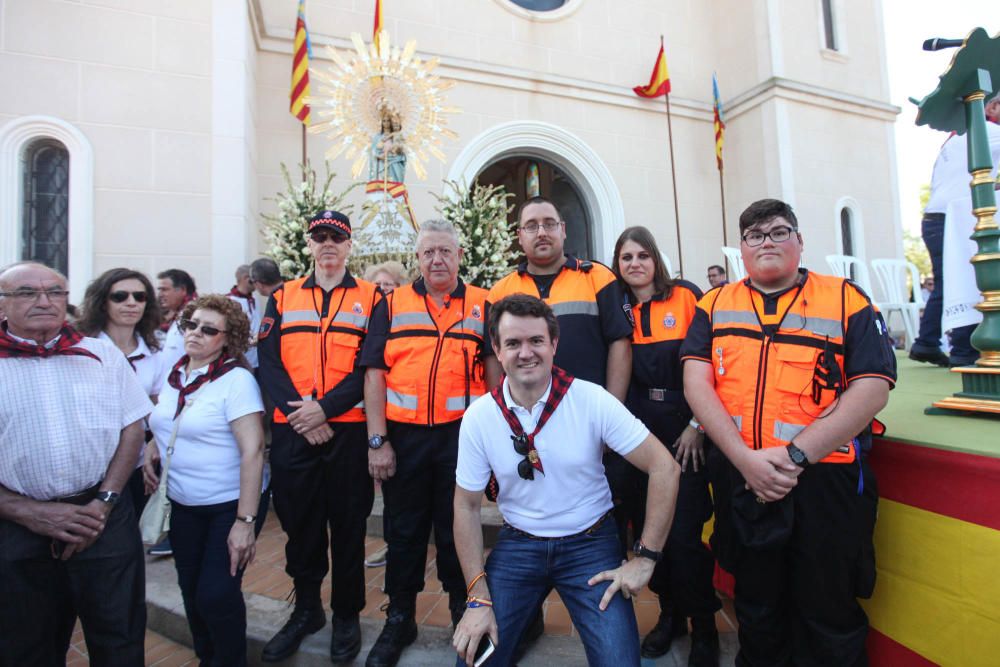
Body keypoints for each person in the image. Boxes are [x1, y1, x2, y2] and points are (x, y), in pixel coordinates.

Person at [681, 199, 897, 666]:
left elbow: (873, 387)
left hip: (824, 483)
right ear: (742, 249)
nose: (767, 243)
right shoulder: (713, 305)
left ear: (800, 241)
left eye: (779, 232)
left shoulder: (846, 299)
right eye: (755, 235)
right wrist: (745, 461)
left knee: (829, 611)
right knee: (758, 610)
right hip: (745, 480)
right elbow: (697, 384)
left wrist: (796, 457)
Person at [452, 294, 680, 667]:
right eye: (512, 343)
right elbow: (465, 504)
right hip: (519, 545)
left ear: (554, 344)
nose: (526, 353)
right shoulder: (479, 417)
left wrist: (645, 558)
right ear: (496, 348)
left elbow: (665, 468)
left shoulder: (591, 400)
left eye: (536, 341)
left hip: (590, 544)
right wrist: (477, 597)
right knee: (475, 661)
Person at [485, 196, 633, 653]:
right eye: (532, 225)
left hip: (588, 431)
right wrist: (500, 418)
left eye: (550, 223)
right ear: (520, 235)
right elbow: (494, 357)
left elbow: (620, 344)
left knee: (604, 512)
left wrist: (611, 417)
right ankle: (521, 618)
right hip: (524, 431)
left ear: (564, 230)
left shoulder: (598, 278)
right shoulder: (502, 286)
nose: (541, 231)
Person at [0, 261, 152, 665]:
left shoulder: (100, 354)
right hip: (16, 523)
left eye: (54, 292)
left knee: (119, 639)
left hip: (103, 516)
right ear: (3, 305)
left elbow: (131, 428)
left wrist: (103, 502)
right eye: (27, 293)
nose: (44, 301)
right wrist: (27, 511)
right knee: (25, 645)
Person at [360, 219, 490, 667]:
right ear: (417, 259)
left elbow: (495, 375)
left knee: (458, 529)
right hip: (406, 438)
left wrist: (492, 440)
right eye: (428, 252)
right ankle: (400, 615)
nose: (437, 259)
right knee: (404, 529)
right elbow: (373, 373)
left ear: (458, 256)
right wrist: (378, 440)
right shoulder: (392, 304)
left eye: (445, 252)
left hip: (462, 437)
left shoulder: (481, 304)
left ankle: (462, 606)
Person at [256, 210, 380, 664]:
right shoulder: (284, 296)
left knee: (348, 527)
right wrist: (302, 416)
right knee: (300, 525)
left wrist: (324, 409)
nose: (328, 243)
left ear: (349, 246)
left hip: (346, 431)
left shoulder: (370, 297)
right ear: (310, 245)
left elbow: (370, 364)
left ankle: (346, 612)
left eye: (337, 237)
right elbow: (268, 362)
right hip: (294, 431)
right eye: (320, 237)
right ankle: (307, 607)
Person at [613, 227, 720, 665]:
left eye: (642, 255)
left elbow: (711, 362)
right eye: (625, 257)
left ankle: (704, 628)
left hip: (685, 428)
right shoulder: (617, 309)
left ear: (655, 259)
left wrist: (698, 423)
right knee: (648, 532)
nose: (635, 264)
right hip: (640, 431)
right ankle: (670, 615)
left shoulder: (688, 296)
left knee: (685, 536)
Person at [144, 294, 265, 667]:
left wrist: (245, 523)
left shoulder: (237, 381)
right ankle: (206, 656)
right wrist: (154, 444)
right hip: (182, 504)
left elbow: (254, 450)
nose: (195, 333)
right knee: (190, 590)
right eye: (191, 325)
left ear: (227, 339)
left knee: (217, 594)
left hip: (227, 507)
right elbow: (169, 417)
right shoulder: (178, 374)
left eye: (208, 329)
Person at [910, 93, 1000, 367]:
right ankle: (963, 348)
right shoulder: (989, 131)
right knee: (965, 278)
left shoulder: (955, 138)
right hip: (954, 216)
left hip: (937, 216)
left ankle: (927, 342)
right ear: (992, 106)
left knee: (948, 279)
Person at [78, 268, 167, 517]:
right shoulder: (81, 349)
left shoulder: (154, 352)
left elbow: (156, 407)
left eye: (140, 297)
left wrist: (155, 443)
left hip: (137, 464)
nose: (131, 303)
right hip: (91, 466)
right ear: (102, 302)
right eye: (120, 296)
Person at [151, 267, 198, 557]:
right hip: (167, 400)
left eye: (165, 289)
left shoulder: (192, 319)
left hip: (184, 401)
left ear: (182, 290)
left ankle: (171, 531)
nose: (160, 295)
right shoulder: (171, 320)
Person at [228, 264, 261, 369]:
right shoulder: (230, 301)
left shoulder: (253, 300)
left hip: (256, 360)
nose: (257, 283)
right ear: (246, 278)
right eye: (254, 278)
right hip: (242, 361)